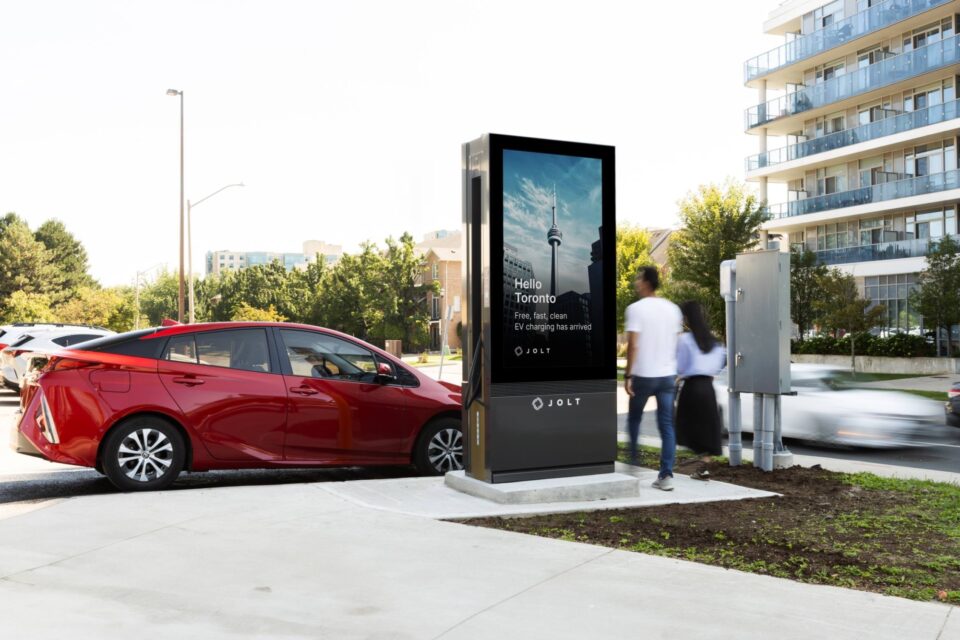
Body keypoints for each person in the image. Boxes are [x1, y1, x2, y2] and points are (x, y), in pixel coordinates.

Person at [624, 265, 683, 491]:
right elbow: (677, 343)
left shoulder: (636, 309)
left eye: (639, 279)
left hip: (643, 375)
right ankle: (666, 475)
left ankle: (633, 463)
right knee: (667, 426)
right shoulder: (673, 309)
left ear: (647, 282)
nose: (637, 283)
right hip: (667, 376)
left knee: (634, 419)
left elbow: (633, 345)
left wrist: (628, 375)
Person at [675, 300, 726, 468]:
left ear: (687, 318)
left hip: (692, 387)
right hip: (708, 387)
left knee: (688, 423)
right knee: (707, 425)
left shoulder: (685, 340)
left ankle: (695, 459)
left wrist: (679, 376)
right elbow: (718, 366)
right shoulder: (715, 342)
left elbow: (681, 366)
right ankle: (703, 465)